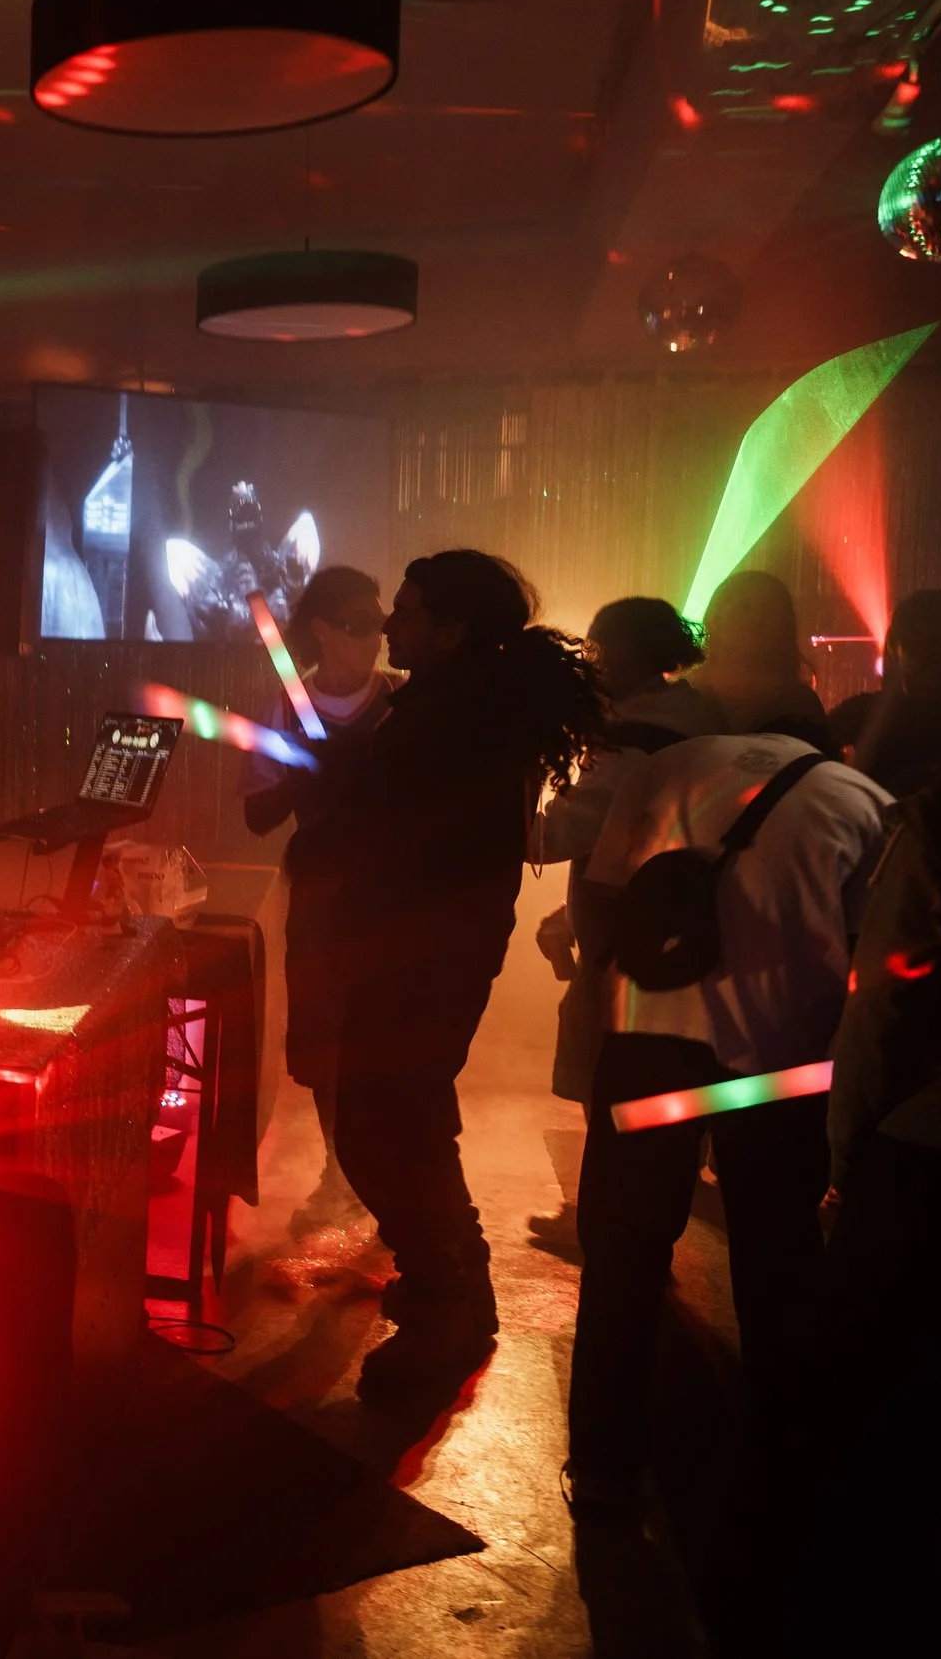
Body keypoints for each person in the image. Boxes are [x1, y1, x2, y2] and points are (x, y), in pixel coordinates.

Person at [304, 551, 607, 1397]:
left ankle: (441, 1307)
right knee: (415, 1120)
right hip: (433, 952)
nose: (391, 625)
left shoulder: (450, 717)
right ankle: (461, 1290)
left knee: (377, 1129)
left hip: (415, 959)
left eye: (407, 611)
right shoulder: (461, 705)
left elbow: (394, 842)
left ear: (452, 628)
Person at [562, 732, 889, 1514]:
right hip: (778, 1059)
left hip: (646, 1040)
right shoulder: (863, 802)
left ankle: (604, 1464)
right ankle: (782, 1460)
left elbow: (600, 891)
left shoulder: (664, 768)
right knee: (777, 1257)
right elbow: (870, 953)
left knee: (623, 1254)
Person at [524, 597, 716, 1256]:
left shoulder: (637, 737)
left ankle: (616, 1230)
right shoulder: (699, 717)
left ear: (628, 655)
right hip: (686, 934)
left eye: (599, 649)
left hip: (631, 943)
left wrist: (504, 807)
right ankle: (641, 1220)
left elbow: (565, 831)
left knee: (614, 1086)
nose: (591, 663)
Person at [803, 762, 941, 1645]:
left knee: (879, 1447)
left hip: (928, 1152)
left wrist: (848, 1154)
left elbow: (881, 1002)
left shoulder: (933, 822)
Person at [240, 565, 398, 1234]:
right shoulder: (286, 708)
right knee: (324, 1045)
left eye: (381, 622)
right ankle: (341, 1167)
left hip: (393, 902)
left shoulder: (403, 702)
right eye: (359, 624)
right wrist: (310, 771)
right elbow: (256, 816)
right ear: (324, 631)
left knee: (387, 1041)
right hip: (319, 900)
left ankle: (388, 1180)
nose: (376, 638)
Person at [688, 569, 828, 742]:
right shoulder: (685, 696)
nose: (757, 619)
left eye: (769, 611)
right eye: (745, 608)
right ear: (715, 619)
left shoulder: (800, 705)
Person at [850, 588, 941, 796]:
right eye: (913, 644)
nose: (918, 659)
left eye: (931, 647)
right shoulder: (865, 711)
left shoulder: (866, 712)